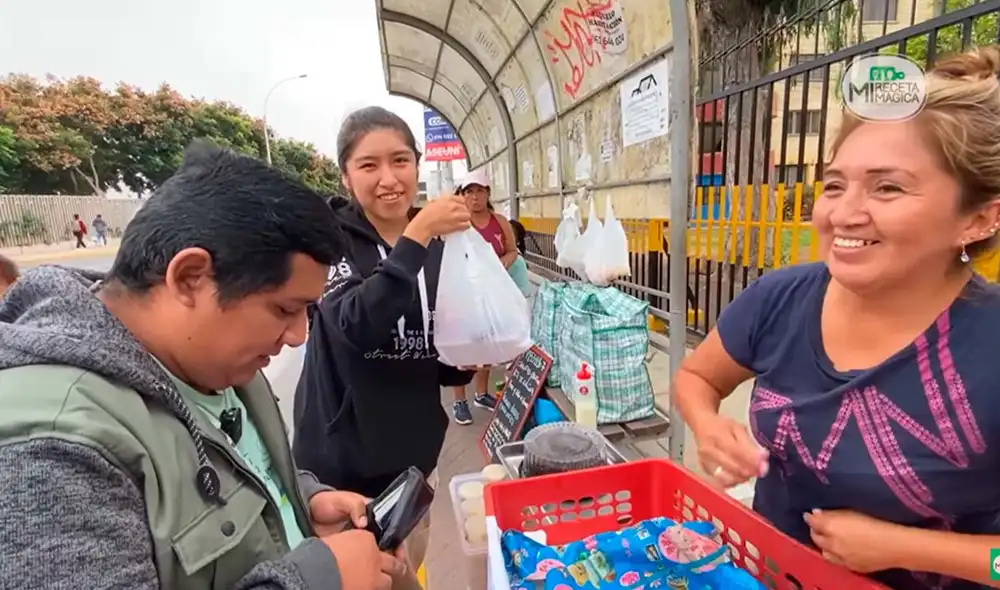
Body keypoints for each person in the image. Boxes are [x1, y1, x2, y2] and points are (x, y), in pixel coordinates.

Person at [0, 141, 411, 590]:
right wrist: (318, 581)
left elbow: (239, 471)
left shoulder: (218, 364)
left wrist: (301, 502)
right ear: (190, 277)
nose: (298, 335)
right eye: (283, 309)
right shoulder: (52, 447)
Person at [671, 46, 1000, 590]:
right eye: (834, 184)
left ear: (979, 218)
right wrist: (708, 427)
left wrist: (903, 547)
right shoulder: (781, 297)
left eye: (888, 187)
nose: (843, 214)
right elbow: (696, 376)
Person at [292, 106, 475, 571]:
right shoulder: (329, 242)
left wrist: (463, 360)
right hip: (341, 471)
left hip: (412, 465)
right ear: (347, 177)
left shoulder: (440, 248)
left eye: (400, 160)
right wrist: (416, 235)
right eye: (368, 165)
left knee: (407, 572)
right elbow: (355, 322)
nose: (388, 177)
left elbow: (431, 345)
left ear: (417, 164)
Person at [449, 170, 525, 425]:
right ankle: (459, 400)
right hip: (464, 296)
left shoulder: (499, 222)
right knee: (462, 347)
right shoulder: (456, 223)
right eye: (468, 191)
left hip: (492, 296)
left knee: (487, 344)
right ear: (462, 195)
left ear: (487, 193)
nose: (474, 197)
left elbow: (513, 251)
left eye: (479, 191)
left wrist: (502, 263)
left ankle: (481, 394)